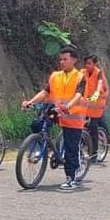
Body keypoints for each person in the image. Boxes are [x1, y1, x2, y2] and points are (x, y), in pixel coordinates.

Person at [20, 46, 87, 190]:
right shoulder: (55, 76)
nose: (62, 62)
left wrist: (68, 106)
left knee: (71, 147)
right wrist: (30, 102)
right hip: (57, 111)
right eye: (60, 59)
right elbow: (45, 93)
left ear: (74, 60)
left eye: (65, 59)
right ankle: (42, 149)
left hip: (73, 115)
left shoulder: (80, 77)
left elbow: (78, 95)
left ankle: (72, 178)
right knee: (37, 125)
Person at [82, 55, 110, 166]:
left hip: (96, 104)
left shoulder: (99, 73)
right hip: (86, 103)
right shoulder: (82, 72)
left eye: (90, 63)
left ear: (95, 64)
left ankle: (94, 154)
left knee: (93, 127)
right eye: (86, 63)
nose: (87, 66)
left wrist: (95, 97)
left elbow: (101, 88)